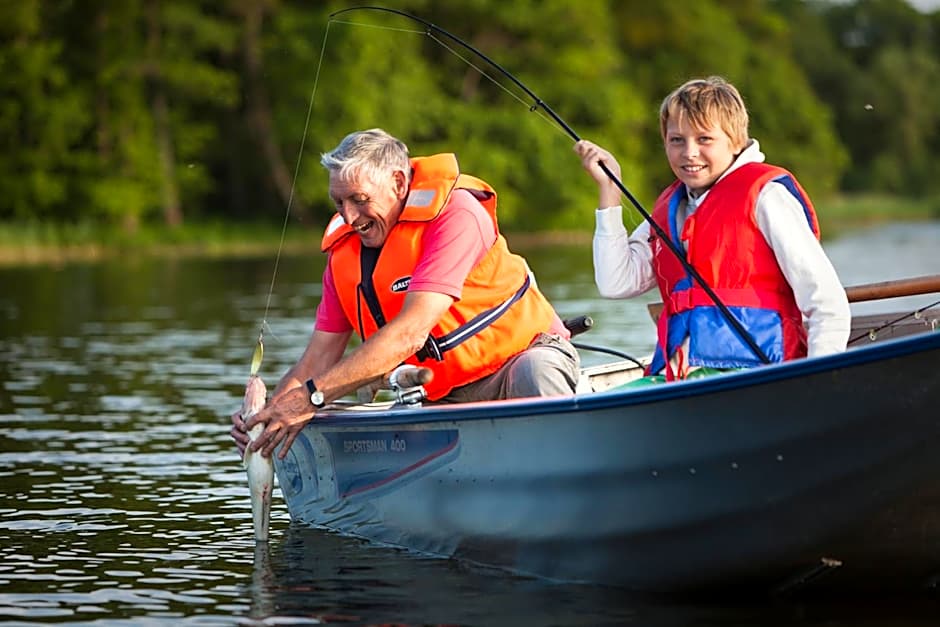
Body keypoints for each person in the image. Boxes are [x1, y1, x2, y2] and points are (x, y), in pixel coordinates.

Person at [232, 128, 579, 458]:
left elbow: (410, 334)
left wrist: (310, 399)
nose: (350, 217)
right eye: (338, 202)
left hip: (517, 362)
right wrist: (269, 416)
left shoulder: (457, 214)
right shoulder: (344, 253)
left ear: (398, 183)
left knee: (536, 372)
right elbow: (318, 358)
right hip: (435, 393)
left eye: (359, 199)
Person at [574, 76, 850, 382]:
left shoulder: (767, 197)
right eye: (677, 140)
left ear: (734, 141)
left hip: (758, 371)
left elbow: (825, 301)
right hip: (678, 375)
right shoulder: (670, 208)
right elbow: (615, 282)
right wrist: (610, 190)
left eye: (704, 139)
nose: (689, 152)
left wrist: (819, 380)